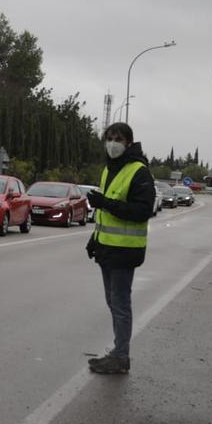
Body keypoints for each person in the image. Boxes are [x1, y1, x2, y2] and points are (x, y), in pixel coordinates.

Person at [84, 122, 155, 374]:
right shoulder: (109, 169)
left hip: (125, 251)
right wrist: (95, 239)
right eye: (109, 137)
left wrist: (105, 203)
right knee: (112, 302)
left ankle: (121, 357)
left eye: (118, 139)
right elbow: (106, 214)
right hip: (107, 249)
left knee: (120, 304)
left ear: (128, 142)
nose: (112, 143)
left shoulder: (139, 171)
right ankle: (117, 353)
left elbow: (142, 211)